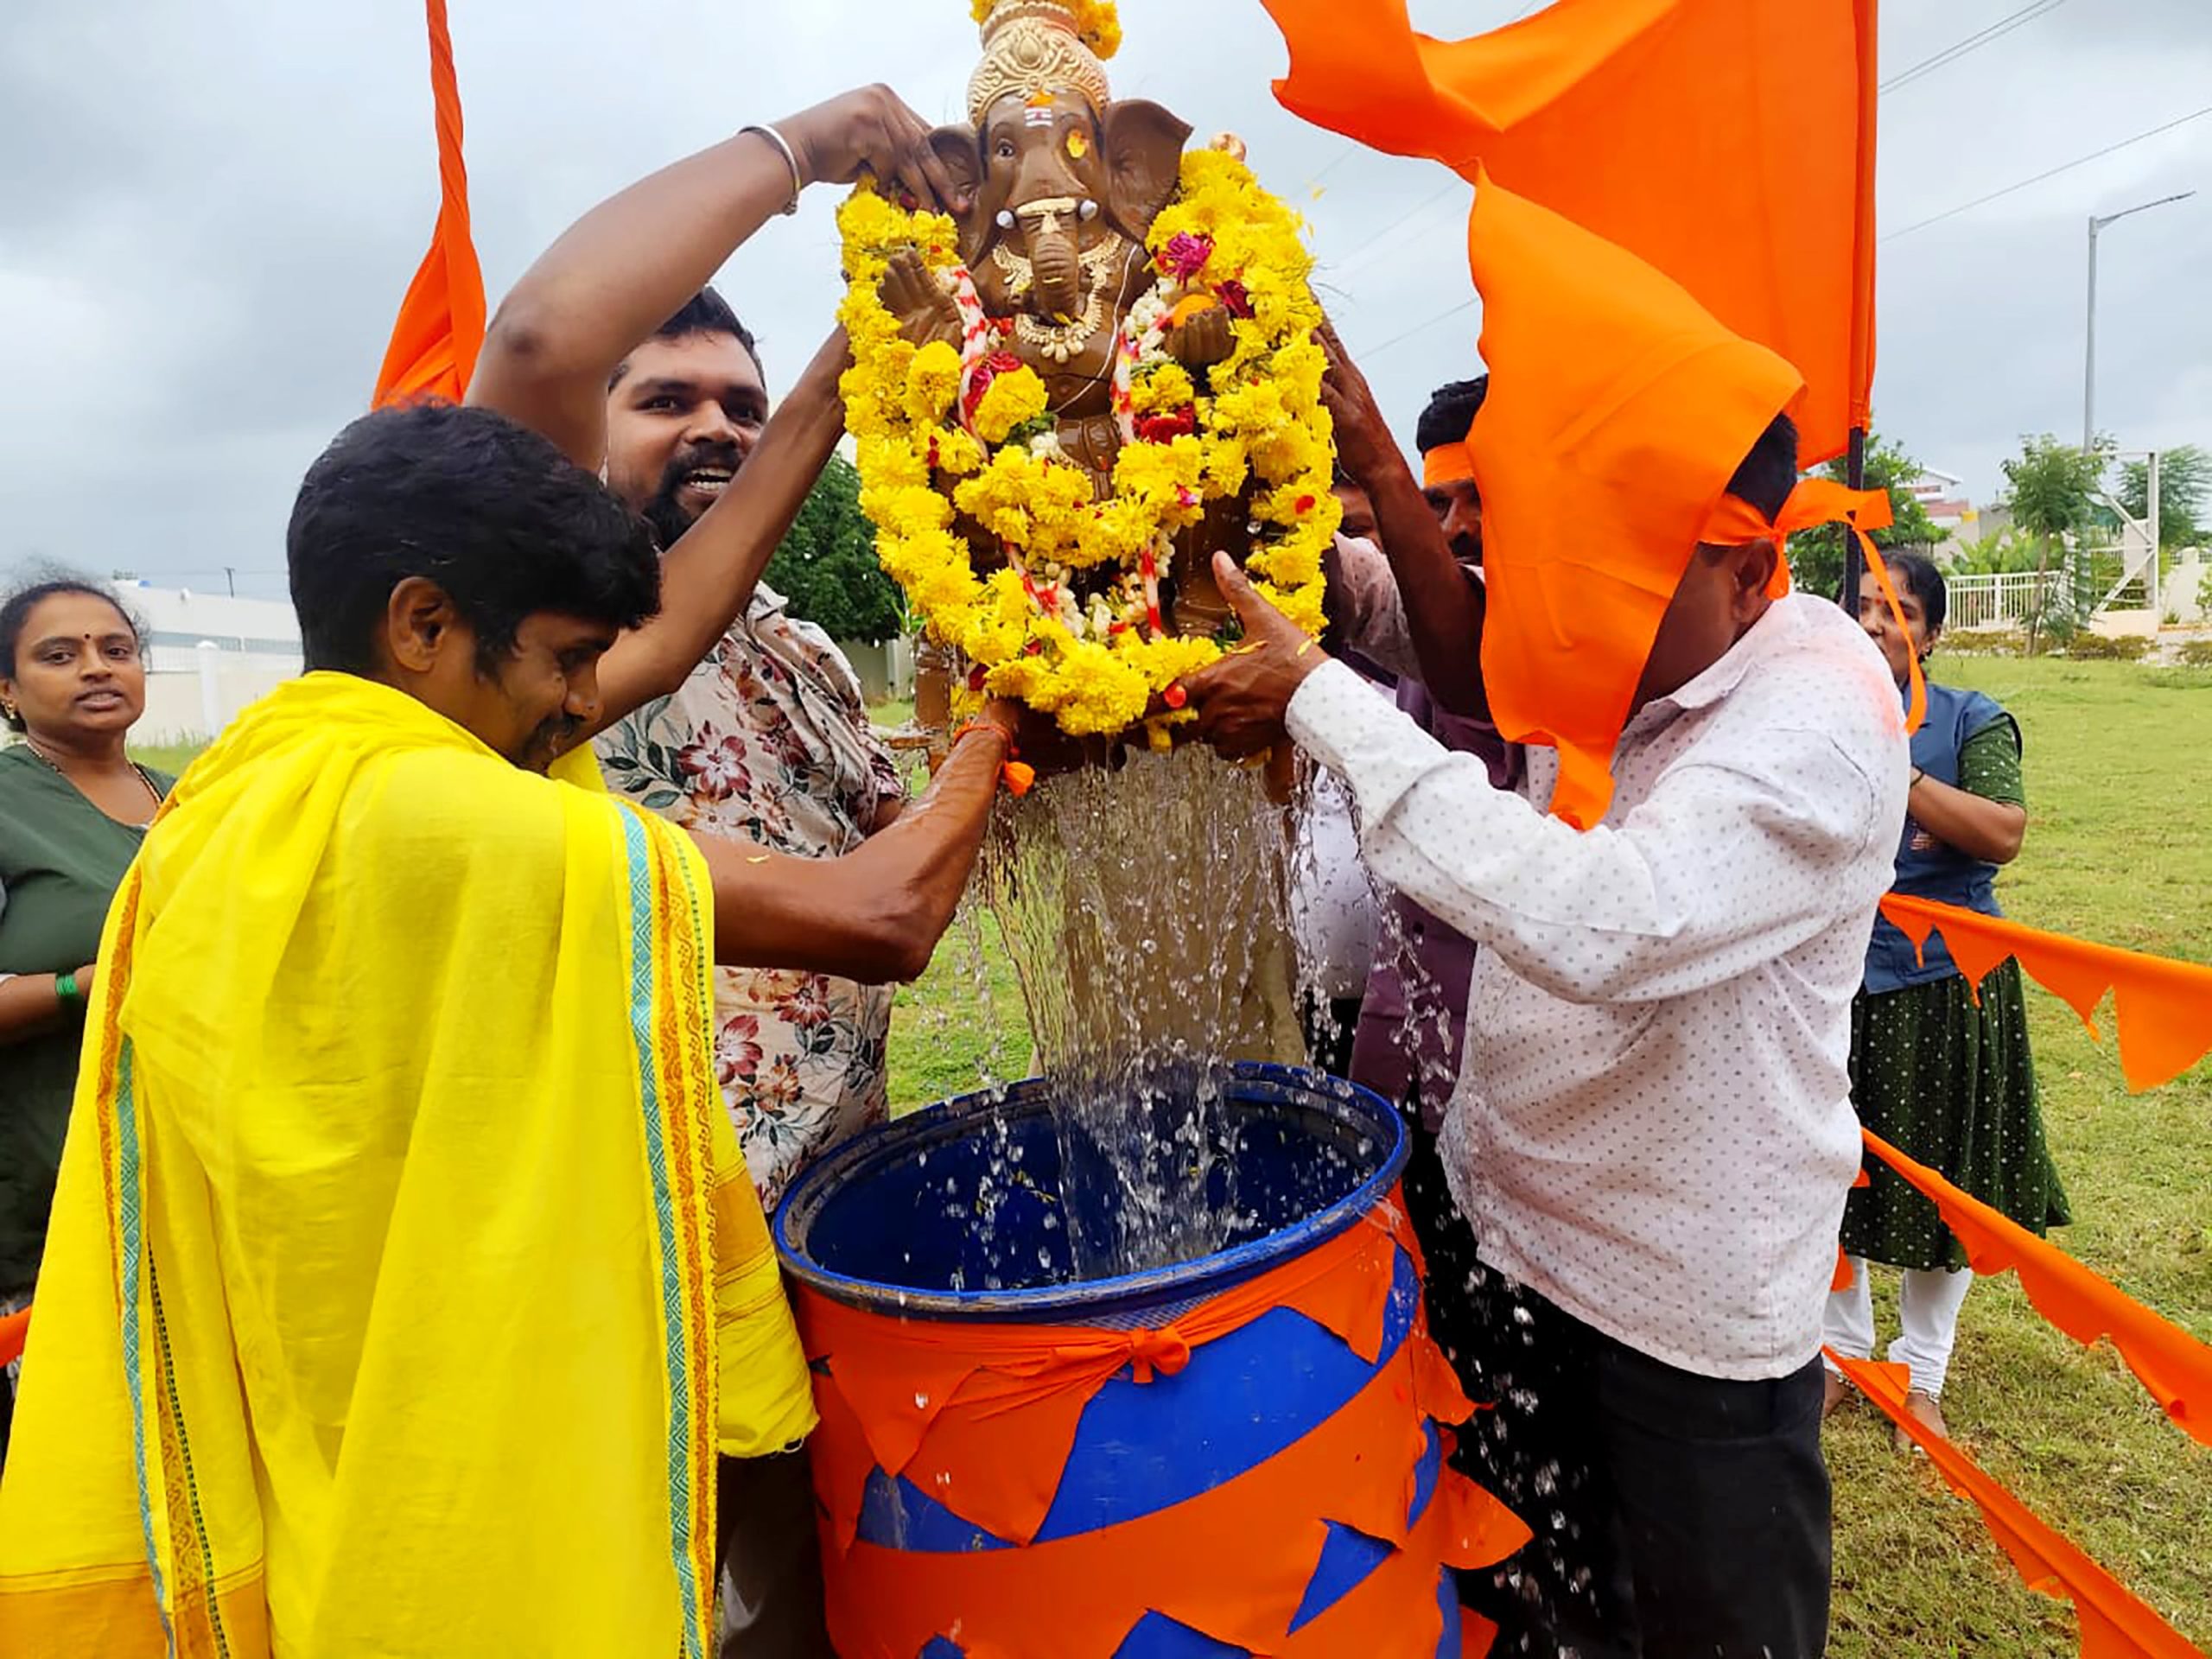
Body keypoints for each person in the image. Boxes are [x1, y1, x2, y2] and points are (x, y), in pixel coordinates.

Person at [0, 402, 1024, 1658]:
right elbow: (888, 913)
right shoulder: (468, 821)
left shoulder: (234, 789)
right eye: (567, 660)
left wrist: (823, 388)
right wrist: (1000, 723)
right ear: (423, 623)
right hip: (482, 1414)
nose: (586, 702)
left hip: (310, 1389)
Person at [1177, 179, 1909, 1657]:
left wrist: (1316, 699)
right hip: (1518, 1240)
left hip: (1685, 1317)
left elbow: (1603, 924)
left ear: (1750, 566)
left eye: (1599, 598)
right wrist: (1350, 450)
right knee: (1528, 1617)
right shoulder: (1620, 634)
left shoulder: (1817, 715)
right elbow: (1462, 647)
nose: (1555, 633)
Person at [467, 89, 961, 1659]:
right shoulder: (538, 666)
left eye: (739, 406)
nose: (716, 431)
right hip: (634, 1255)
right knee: (677, 1604)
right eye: (666, 398)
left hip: (826, 1216)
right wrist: (798, 154)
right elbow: (540, 342)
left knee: (813, 1575)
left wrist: (1025, 674)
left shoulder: (797, 646)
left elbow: (908, 854)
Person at [1824, 551, 2068, 1444]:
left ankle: (1920, 1372)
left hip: (1942, 987)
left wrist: (1904, 770)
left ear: (1932, 631)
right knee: (1832, 1173)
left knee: (1940, 1183)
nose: (1879, 626)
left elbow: (2002, 833)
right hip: (1829, 984)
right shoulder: (1813, 715)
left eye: (1900, 613)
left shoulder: (1971, 719)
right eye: (1864, 609)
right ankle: (1839, 1355)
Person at [0, 580, 173, 1465]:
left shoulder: (197, 801)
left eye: (115, 648)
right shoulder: (8, 803)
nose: (97, 668)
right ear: (7, 690)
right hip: (45, 1214)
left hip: (188, 1203)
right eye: (58, 655)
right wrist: (86, 986)